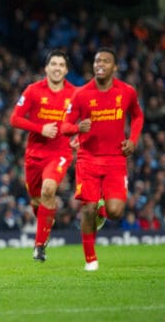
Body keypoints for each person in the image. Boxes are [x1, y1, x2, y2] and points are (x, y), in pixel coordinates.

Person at [62, 47, 143, 271]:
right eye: (97, 61)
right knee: (87, 207)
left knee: (115, 211)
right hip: (88, 158)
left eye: (105, 61)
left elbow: (137, 116)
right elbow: (64, 126)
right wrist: (77, 128)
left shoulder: (126, 92)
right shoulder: (81, 94)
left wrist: (133, 140)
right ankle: (90, 260)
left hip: (116, 159)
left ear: (114, 67)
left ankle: (101, 212)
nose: (100, 64)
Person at [10, 50, 76, 262]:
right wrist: (40, 128)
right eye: (53, 64)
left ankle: (39, 246)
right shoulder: (33, 90)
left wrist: (79, 138)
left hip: (60, 153)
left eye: (61, 65)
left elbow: (86, 123)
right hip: (35, 154)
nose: (57, 68)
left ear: (66, 70)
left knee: (49, 189)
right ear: (46, 68)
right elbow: (15, 119)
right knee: (38, 202)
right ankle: (45, 225)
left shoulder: (75, 94)